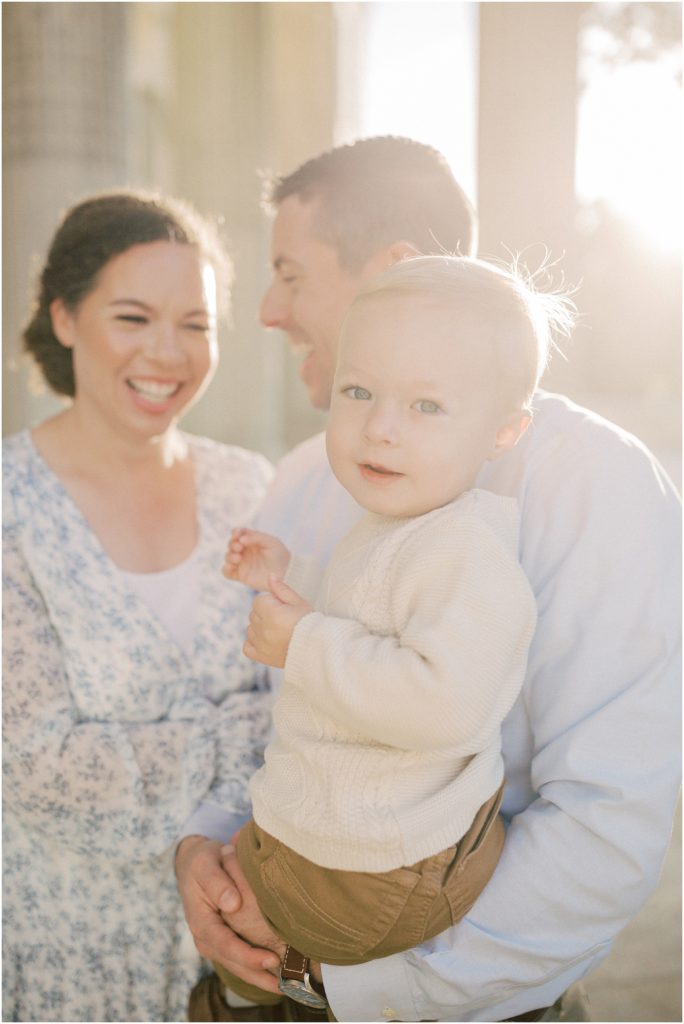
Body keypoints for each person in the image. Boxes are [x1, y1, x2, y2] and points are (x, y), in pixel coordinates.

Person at [177, 137, 681, 1023]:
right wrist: (207, 852)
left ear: (400, 270)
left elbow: (606, 819)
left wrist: (347, 984)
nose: (263, 310)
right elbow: (278, 724)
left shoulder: (590, 483)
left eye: (290, 274)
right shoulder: (301, 477)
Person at [217, 256, 566, 1009]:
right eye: (359, 391)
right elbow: (364, 611)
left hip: (378, 870)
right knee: (232, 881)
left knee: (235, 909)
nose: (379, 427)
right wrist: (288, 574)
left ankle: (244, 994)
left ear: (503, 431)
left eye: (427, 407)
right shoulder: (399, 526)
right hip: (356, 847)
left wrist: (300, 641)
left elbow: (445, 704)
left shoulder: (469, 554)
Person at [2, 190, 274, 1022]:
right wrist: (239, 751)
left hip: (238, 954)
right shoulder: (8, 505)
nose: (169, 352)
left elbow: (307, 706)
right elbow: (41, 766)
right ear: (65, 317)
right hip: (67, 955)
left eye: (196, 324)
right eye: (133, 317)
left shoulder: (252, 487)